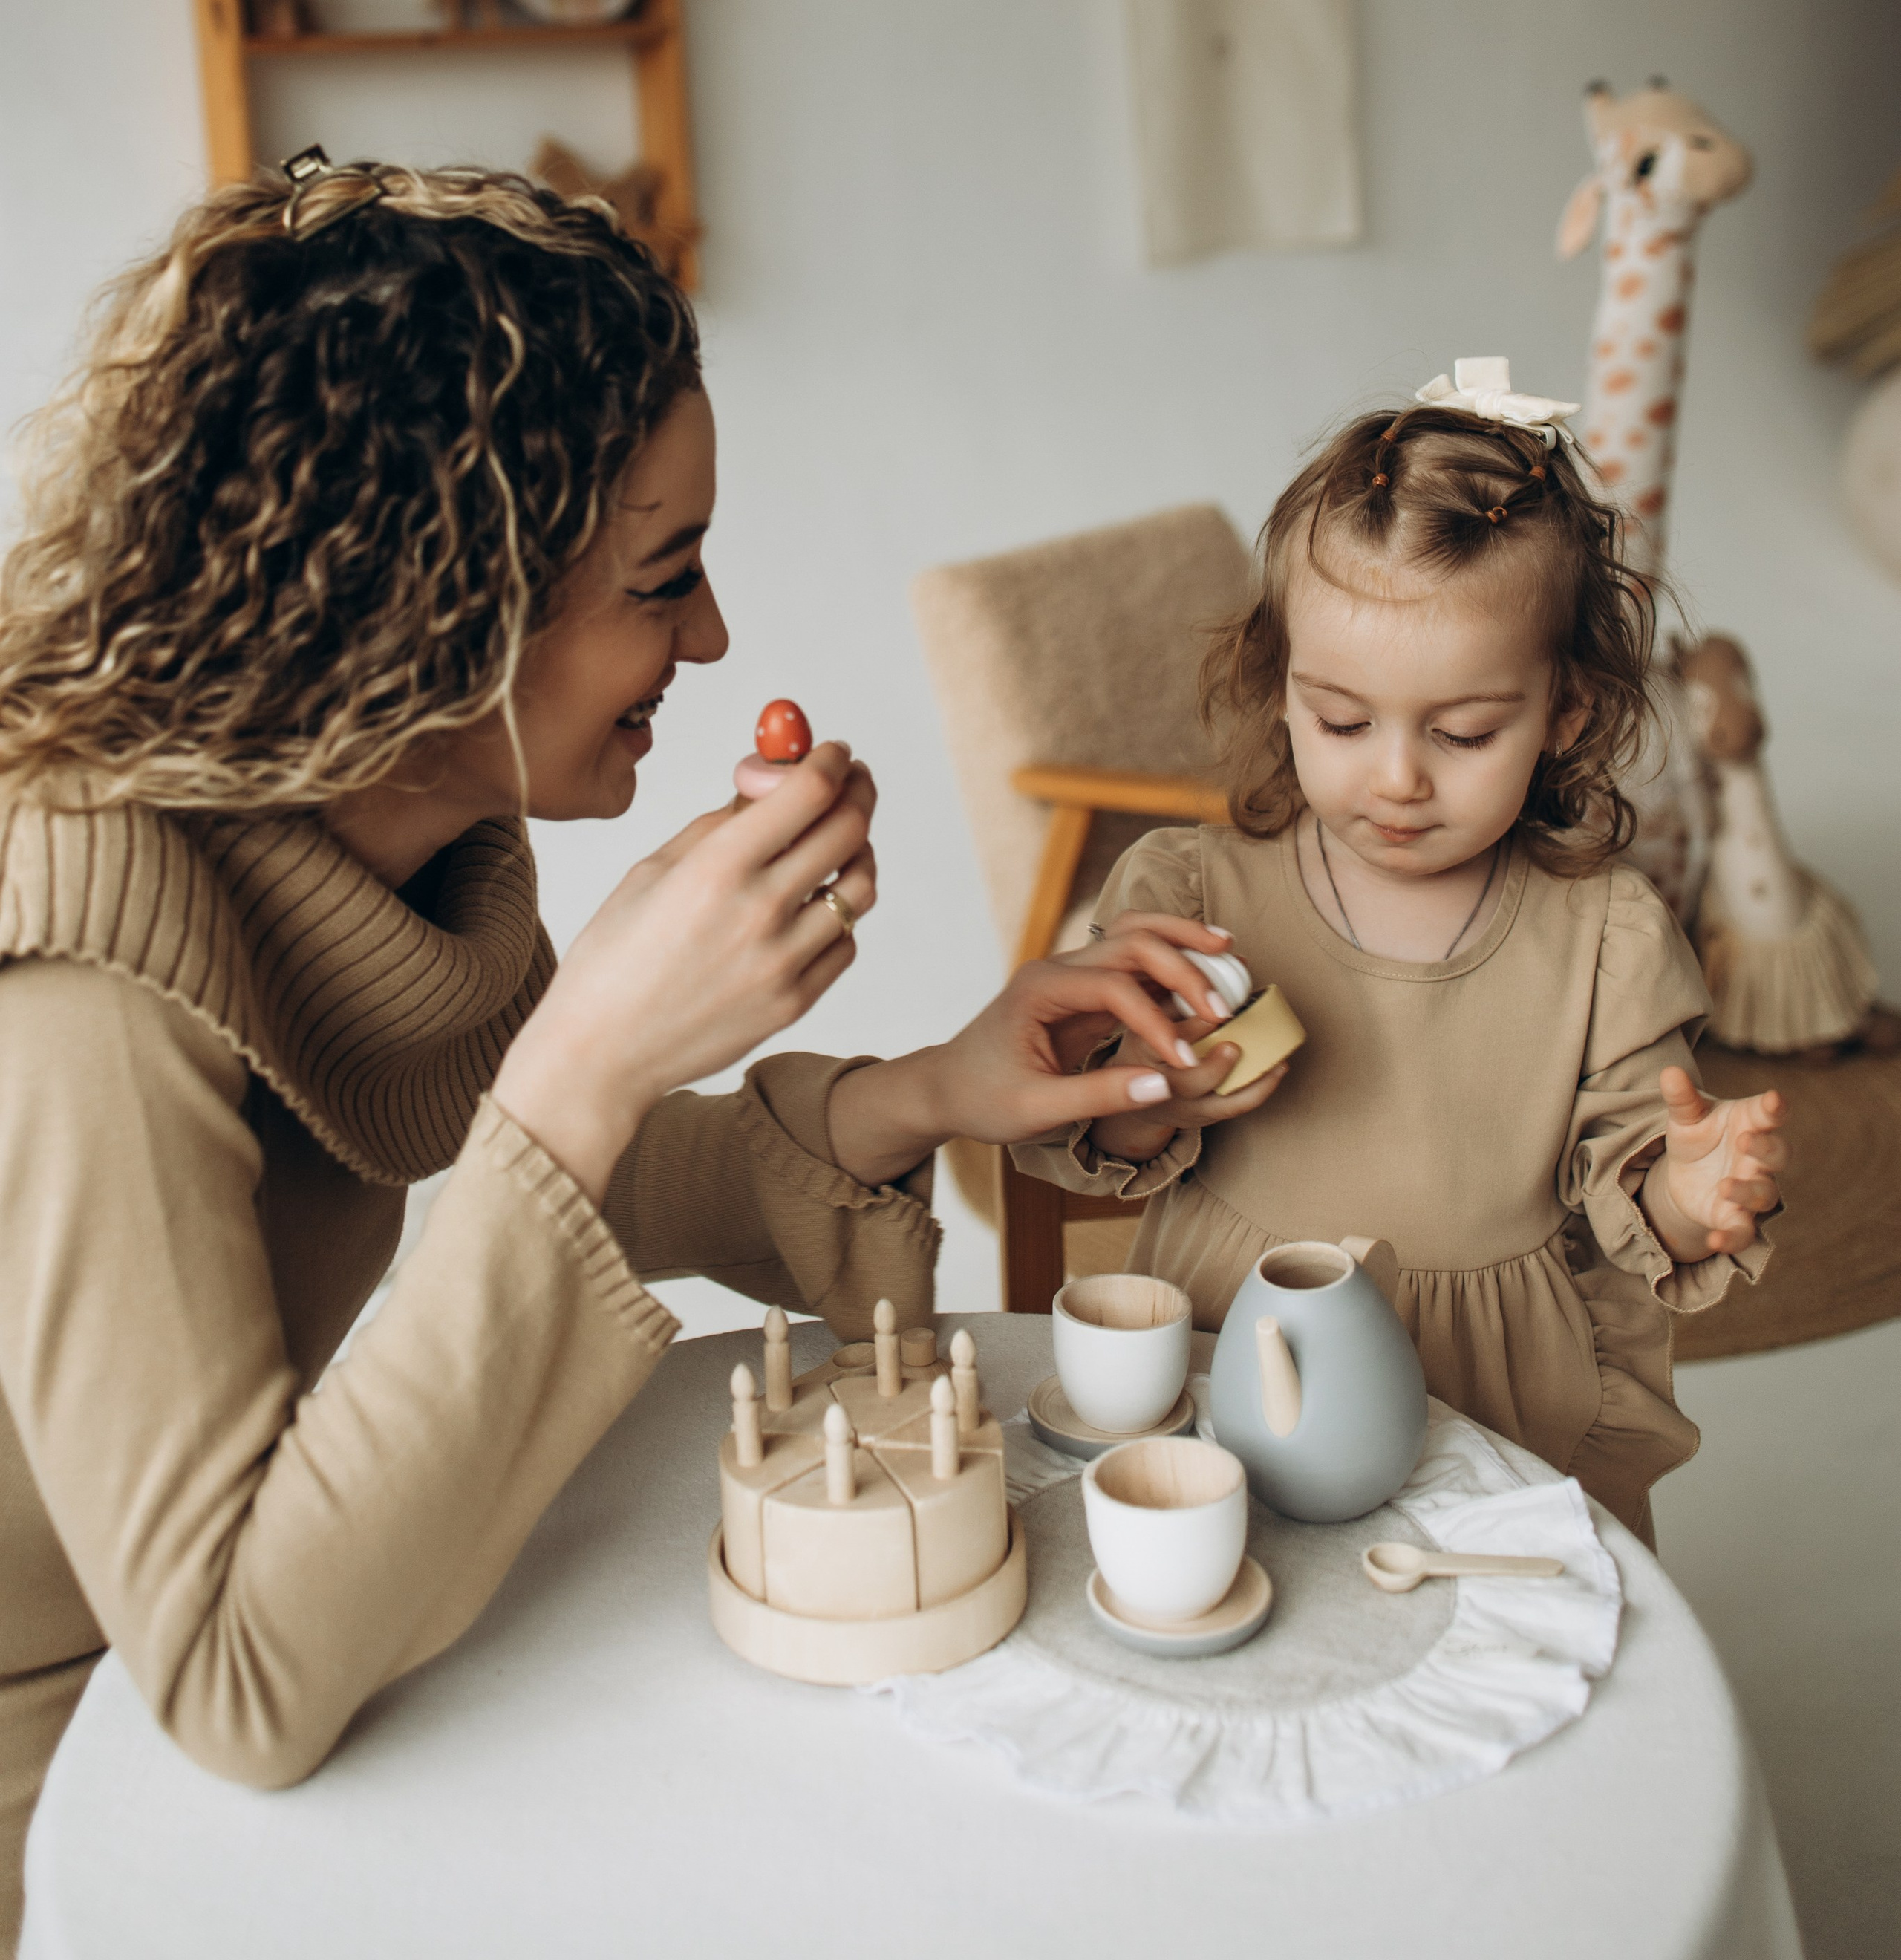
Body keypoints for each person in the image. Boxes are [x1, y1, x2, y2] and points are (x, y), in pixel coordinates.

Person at [0, 160, 1202, 1945]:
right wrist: (588, 1056)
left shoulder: (401, 844)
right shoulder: (84, 981)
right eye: (666, 578)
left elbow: (531, 1175)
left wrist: (919, 1094)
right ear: (448, 604)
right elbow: (237, 1681)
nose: (709, 637)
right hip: (77, 1776)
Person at [1011, 384, 1787, 1542]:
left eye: (1464, 733)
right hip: (1245, 1362)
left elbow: (1637, 1198)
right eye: (1341, 721)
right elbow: (1086, 1132)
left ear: (1565, 712)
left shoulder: (1608, 938)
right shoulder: (1192, 895)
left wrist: (1693, 1193)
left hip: (1500, 1390)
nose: (1398, 779)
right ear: (1283, 687)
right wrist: (1151, 1092)